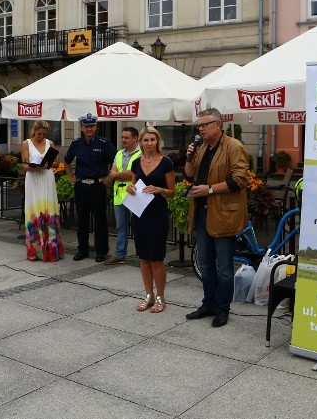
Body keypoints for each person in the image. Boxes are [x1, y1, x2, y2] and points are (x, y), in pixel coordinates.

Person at [183, 108, 249, 327]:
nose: (200, 128)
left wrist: (209, 190)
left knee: (224, 268)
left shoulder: (234, 146)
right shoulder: (202, 148)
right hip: (202, 212)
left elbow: (239, 180)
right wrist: (189, 157)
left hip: (223, 215)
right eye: (199, 125)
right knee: (205, 264)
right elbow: (189, 175)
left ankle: (222, 309)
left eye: (205, 124)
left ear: (218, 125)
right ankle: (208, 304)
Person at [127, 126, 175, 313]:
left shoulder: (166, 162)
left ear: (157, 141)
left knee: (156, 258)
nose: (149, 143)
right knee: (143, 257)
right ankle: (148, 295)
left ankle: (161, 297)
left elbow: (172, 192)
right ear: (140, 142)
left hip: (157, 214)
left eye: (152, 140)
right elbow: (132, 185)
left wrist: (160, 190)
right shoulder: (136, 163)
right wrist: (129, 189)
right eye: (145, 140)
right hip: (139, 213)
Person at [64, 113, 116, 262]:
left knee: (100, 220)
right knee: (82, 220)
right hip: (81, 186)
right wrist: (71, 178)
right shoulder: (76, 143)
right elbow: (67, 161)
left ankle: (101, 251)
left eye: (92, 126)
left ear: (96, 127)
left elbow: (117, 159)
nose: (89, 129)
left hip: (98, 186)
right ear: (81, 127)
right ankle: (83, 250)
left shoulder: (103, 143)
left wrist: (109, 177)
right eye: (86, 126)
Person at [21, 120, 63, 261]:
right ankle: (35, 250)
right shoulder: (26, 143)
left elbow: (57, 162)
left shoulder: (49, 143)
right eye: (39, 134)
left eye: (44, 134)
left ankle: (51, 249)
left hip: (46, 177)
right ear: (34, 131)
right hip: (33, 179)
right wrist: (35, 167)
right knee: (34, 210)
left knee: (49, 210)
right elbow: (24, 165)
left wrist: (48, 163)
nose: (41, 137)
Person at [104, 127, 141, 265]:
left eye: (126, 137)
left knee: (138, 226)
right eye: (122, 137)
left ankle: (141, 253)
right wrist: (122, 175)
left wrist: (118, 175)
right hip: (119, 196)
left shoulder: (141, 154)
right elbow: (111, 174)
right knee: (121, 227)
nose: (123, 140)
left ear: (135, 139)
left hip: (135, 194)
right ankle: (119, 254)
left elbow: (133, 174)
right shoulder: (119, 153)